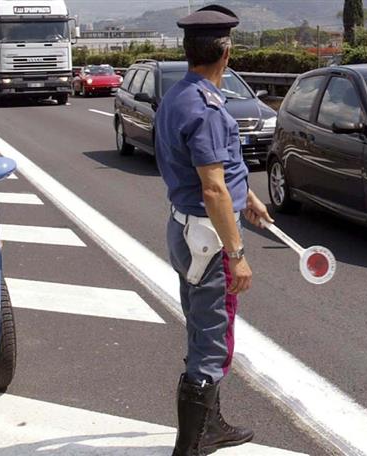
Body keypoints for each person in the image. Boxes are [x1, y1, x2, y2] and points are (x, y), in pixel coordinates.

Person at [154, 5, 273, 456]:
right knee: (214, 339)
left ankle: (211, 425)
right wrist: (237, 252)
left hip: (185, 230)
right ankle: (192, 444)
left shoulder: (179, 96)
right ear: (225, 52)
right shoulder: (208, 109)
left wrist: (251, 199)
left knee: (201, 327)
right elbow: (213, 189)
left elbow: (219, 176)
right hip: (208, 237)